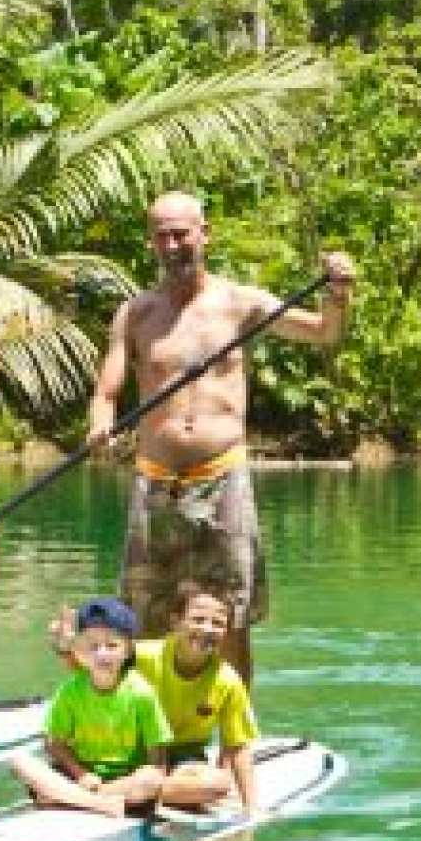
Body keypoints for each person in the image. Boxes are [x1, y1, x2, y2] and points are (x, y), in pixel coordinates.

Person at [87, 191, 357, 683]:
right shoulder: (136, 313)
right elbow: (107, 388)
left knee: (229, 614)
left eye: (181, 234)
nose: (172, 245)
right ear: (151, 241)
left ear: (203, 234)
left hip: (220, 480)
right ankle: (157, 739)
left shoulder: (241, 303)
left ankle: (235, 740)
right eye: (162, 235)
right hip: (155, 483)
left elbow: (323, 333)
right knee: (146, 617)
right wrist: (99, 419)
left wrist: (337, 294)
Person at [11, 597, 171, 818]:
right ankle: (98, 803)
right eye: (93, 647)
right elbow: (53, 743)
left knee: (151, 779)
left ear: (128, 650)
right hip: (81, 778)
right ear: (79, 650)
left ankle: (68, 799)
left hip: (125, 781)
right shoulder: (69, 691)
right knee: (20, 761)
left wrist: (152, 795)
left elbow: (158, 758)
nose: (102, 654)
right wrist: (81, 774)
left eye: (112, 646)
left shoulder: (142, 693)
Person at [132, 581, 260, 816]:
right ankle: (141, 790)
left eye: (218, 624)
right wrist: (66, 647)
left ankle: (132, 791)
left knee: (218, 785)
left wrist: (251, 808)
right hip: (134, 750)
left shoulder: (227, 680)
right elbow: (94, 665)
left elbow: (238, 747)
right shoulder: (142, 655)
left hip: (184, 759)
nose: (207, 629)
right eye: (198, 619)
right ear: (175, 622)